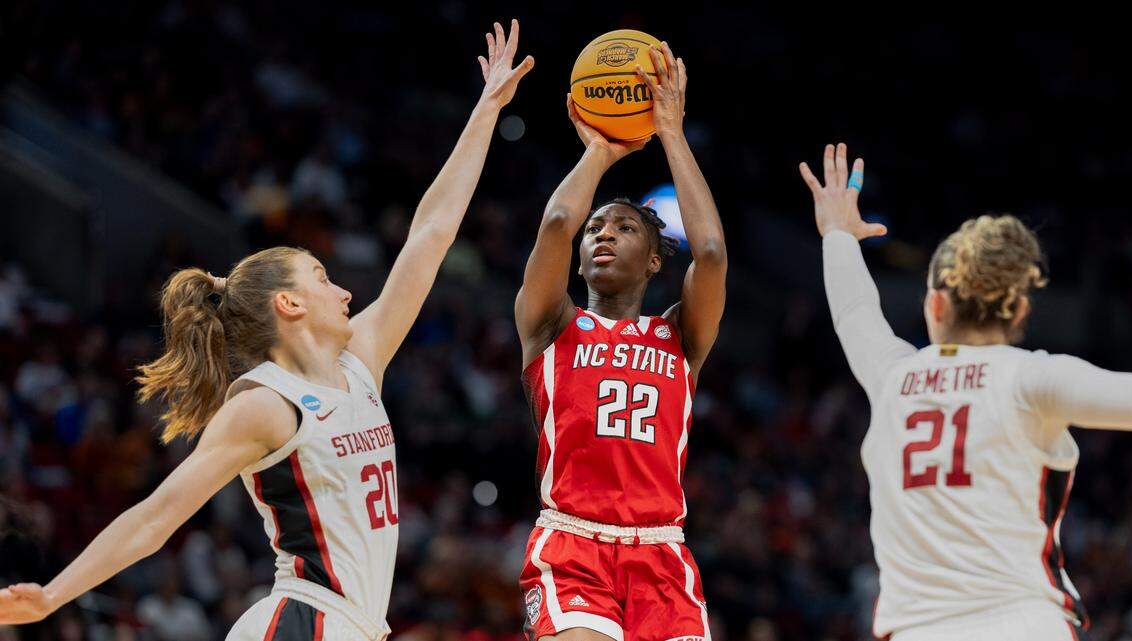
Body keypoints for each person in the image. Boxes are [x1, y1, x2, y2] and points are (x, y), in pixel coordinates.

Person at [0, 20, 534, 641]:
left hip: (357, 628)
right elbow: (157, 517)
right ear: (289, 303)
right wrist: (53, 595)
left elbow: (431, 235)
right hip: (303, 621)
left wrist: (487, 108)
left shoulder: (362, 360)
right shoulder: (266, 406)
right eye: (323, 277)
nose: (346, 291)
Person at [800, 143, 1132, 641]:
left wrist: (837, 235)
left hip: (920, 630)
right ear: (1019, 313)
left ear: (934, 306)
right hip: (1026, 624)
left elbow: (854, 312)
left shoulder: (894, 376)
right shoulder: (1032, 379)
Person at [514, 42, 726, 641]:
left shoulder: (679, 336)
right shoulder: (551, 323)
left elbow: (710, 253)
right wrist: (601, 152)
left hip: (662, 555)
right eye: (597, 228)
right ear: (578, 261)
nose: (603, 234)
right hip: (572, 544)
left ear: (656, 260)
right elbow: (558, 222)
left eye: (624, 227)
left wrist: (672, 134)